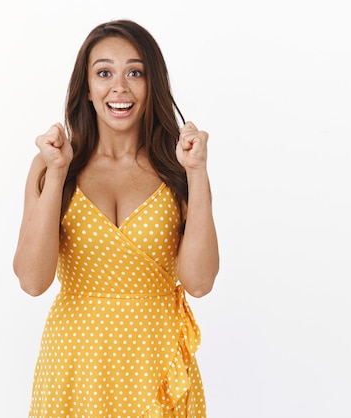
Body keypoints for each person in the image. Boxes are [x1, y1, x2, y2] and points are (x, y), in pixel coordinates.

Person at [13, 19, 219, 418]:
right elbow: (31, 281)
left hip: (155, 366)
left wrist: (197, 172)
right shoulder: (53, 164)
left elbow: (200, 282)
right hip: (74, 369)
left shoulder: (179, 169)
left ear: (151, 84)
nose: (119, 87)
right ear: (87, 88)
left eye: (135, 72)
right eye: (104, 72)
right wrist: (56, 173)